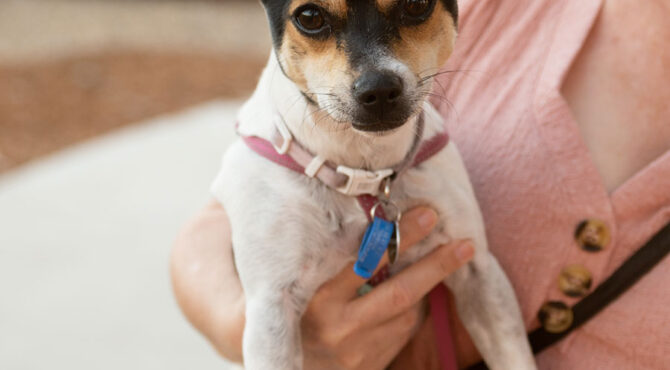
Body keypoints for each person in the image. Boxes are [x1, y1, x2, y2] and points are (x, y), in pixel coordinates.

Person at [170, 0, 670, 368]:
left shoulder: (431, 149)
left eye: (411, 8)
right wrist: (239, 322)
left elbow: (476, 274)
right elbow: (205, 240)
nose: (374, 77)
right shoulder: (270, 158)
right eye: (314, 21)